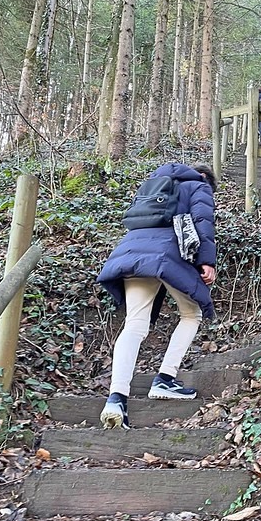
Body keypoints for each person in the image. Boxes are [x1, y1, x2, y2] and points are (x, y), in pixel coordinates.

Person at [96, 162, 217, 429]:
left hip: (131, 252)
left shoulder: (153, 184)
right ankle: (165, 379)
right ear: (207, 179)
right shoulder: (199, 185)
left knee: (135, 324)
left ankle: (116, 398)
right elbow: (202, 221)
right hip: (167, 252)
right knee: (191, 314)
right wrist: (207, 261)